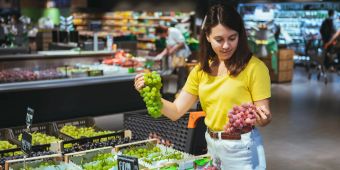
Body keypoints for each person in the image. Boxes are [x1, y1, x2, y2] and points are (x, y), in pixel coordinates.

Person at [135, 4, 271, 169]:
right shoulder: (200, 70)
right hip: (212, 145)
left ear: (240, 36)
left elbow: (262, 114)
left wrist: (263, 118)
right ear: (207, 36)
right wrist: (152, 96)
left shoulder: (255, 68)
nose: (226, 45)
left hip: (242, 148)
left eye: (232, 38)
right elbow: (176, 111)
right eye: (219, 39)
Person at [154, 25, 191, 93]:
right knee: (175, 73)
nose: (160, 37)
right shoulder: (166, 36)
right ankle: (174, 90)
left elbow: (182, 42)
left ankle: (181, 90)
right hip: (174, 56)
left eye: (160, 35)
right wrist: (161, 55)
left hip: (181, 55)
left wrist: (173, 49)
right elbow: (168, 48)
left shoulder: (173, 31)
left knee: (181, 72)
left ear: (163, 32)